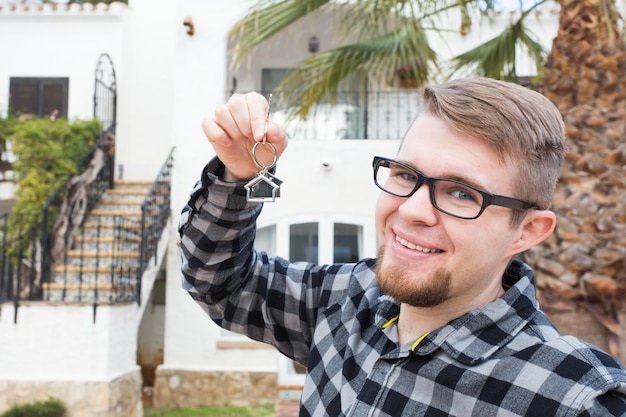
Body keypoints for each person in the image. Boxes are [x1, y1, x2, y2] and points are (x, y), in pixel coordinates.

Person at [178, 77, 626, 416]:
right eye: (406, 175)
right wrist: (239, 173)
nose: (412, 210)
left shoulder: (572, 398)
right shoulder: (348, 300)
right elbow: (220, 283)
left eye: (462, 193)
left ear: (527, 231)